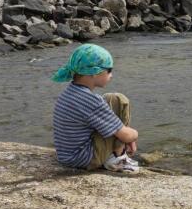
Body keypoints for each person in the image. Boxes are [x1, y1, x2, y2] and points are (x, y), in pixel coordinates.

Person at [51, 43, 140, 173]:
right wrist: (133, 137)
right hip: (83, 158)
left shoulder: (69, 92)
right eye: (109, 70)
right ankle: (117, 157)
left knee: (115, 99)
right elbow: (126, 136)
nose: (111, 75)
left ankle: (115, 154)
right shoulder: (91, 101)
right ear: (94, 72)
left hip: (66, 155)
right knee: (123, 121)